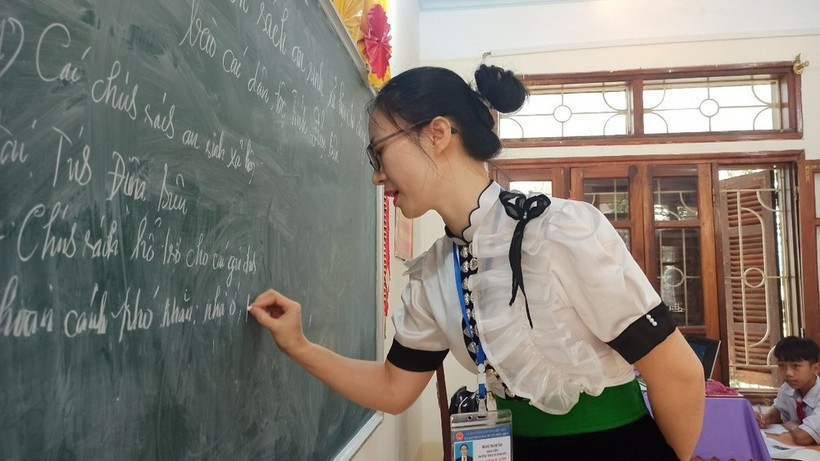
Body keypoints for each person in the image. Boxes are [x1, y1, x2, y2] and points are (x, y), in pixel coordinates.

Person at [250, 64, 705, 460]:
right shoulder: (433, 273)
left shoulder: (559, 230)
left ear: (438, 133)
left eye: (379, 151)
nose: (376, 173)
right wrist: (300, 346)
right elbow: (393, 388)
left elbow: (678, 372)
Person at [755, 336, 820, 445]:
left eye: (796, 366)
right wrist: (766, 418)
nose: (788, 373)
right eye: (782, 366)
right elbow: (780, 410)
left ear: (815, 369)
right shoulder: (788, 387)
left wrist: (792, 425)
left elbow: (803, 437)